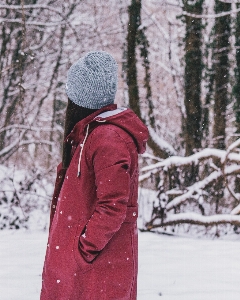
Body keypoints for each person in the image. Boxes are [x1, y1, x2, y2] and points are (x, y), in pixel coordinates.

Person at [40, 51, 149, 300]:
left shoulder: (108, 139)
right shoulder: (90, 135)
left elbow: (112, 206)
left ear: (79, 98)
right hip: (85, 269)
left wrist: (83, 250)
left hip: (96, 268)